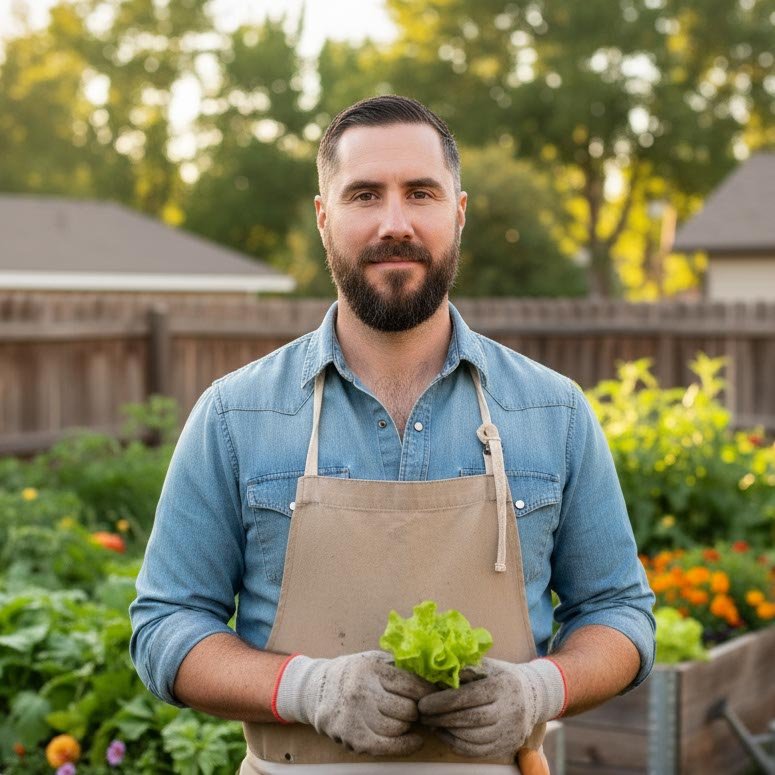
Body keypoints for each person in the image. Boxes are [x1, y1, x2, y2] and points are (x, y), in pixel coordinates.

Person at [129, 95, 655, 774]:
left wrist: (539, 688)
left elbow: (620, 612)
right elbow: (165, 627)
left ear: (457, 213)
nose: (395, 222)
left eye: (421, 193)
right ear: (325, 218)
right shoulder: (237, 415)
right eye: (364, 194)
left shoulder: (552, 412)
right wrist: (305, 687)